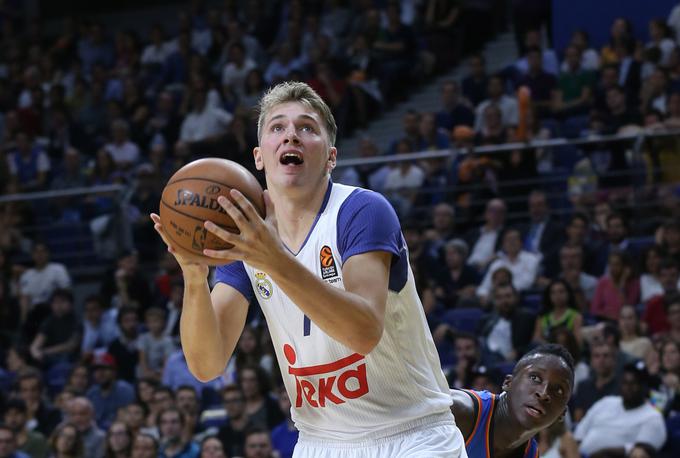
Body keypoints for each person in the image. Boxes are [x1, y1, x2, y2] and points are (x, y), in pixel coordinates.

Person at [151, 81, 466, 456]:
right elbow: (207, 364)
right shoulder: (244, 235)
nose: (291, 137)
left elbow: (363, 331)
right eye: (277, 127)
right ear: (259, 156)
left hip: (411, 434)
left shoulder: (362, 210)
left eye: (307, 128)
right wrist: (193, 275)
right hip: (320, 443)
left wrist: (274, 260)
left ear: (331, 157)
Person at [450, 344, 575, 458]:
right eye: (535, 378)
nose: (543, 394)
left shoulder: (530, 454)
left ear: (562, 414)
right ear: (508, 383)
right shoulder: (458, 411)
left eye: (558, 390)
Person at [574, 361, 667, 456]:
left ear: (645, 387)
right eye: (625, 382)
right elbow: (579, 434)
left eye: (634, 383)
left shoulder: (653, 416)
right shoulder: (606, 402)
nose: (628, 387)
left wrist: (605, 452)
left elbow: (640, 452)